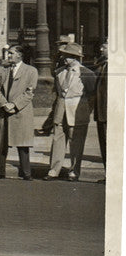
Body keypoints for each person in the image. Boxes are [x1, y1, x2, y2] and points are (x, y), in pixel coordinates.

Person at [46, 41, 96, 181]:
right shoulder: (60, 72)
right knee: (57, 140)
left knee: (76, 143)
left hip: (77, 111)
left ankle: (74, 171)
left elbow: (92, 95)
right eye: (65, 55)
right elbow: (58, 92)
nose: (65, 58)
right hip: (61, 110)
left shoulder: (86, 73)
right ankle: (53, 170)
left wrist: (86, 110)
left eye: (69, 56)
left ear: (77, 58)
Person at [0, 44, 37, 180]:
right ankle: (0, 171)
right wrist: (4, 104)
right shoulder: (1, 70)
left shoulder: (31, 71)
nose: (8, 56)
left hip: (20, 111)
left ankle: (26, 172)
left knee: (22, 143)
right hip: (3, 110)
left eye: (11, 53)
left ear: (19, 55)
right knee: (2, 142)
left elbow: (30, 92)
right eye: (8, 53)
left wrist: (14, 105)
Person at [93, 40, 108, 175]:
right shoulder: (101, 64)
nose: (101, 49)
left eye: (105, 46)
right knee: (104, 146)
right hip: (101, 112)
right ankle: (108, 174)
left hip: (111, 113)